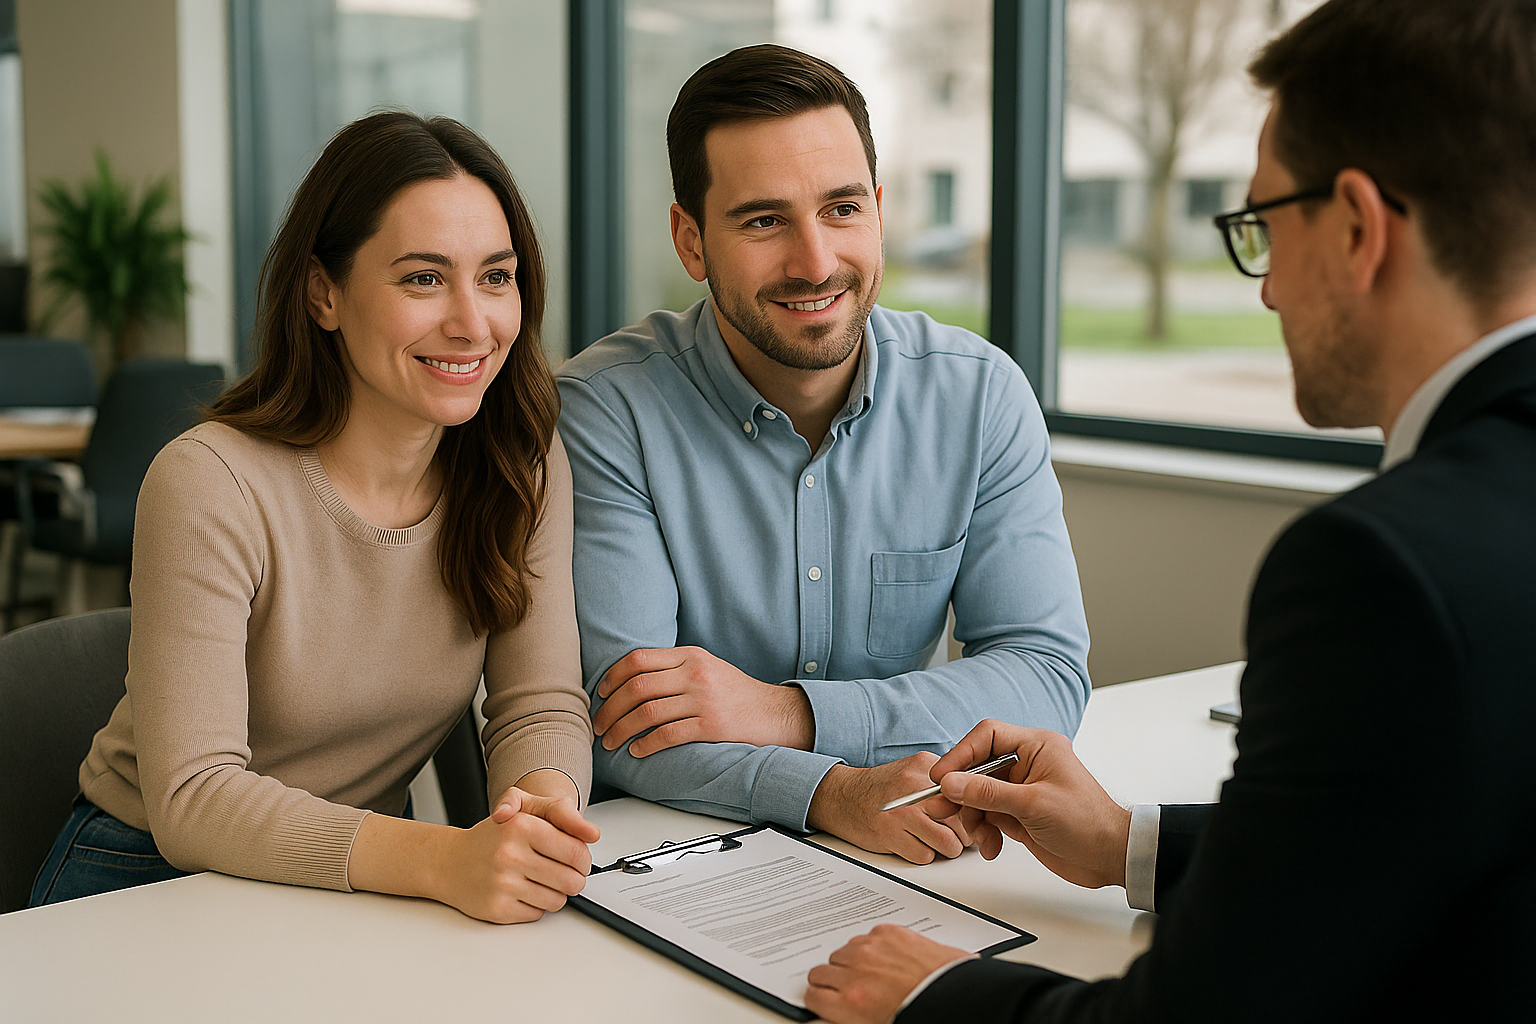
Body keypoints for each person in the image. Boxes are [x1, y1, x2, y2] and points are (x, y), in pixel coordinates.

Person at [805, 0, 1536, 1019]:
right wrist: (1128, 843)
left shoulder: (1385, 568)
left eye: (1264, 227)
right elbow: (1418, 847)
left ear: (1358, 228)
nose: (1267, 291)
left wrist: (933, 994)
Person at [29, 112, 599, 924]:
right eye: (423, 279)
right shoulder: (212, 481)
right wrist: (444, 859)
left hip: (369, 874)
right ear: (322, 292)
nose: (473, 323)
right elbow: (194, 796)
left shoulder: (518, 461)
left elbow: (538, 704)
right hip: (150, 875)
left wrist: (537, 823)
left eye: (496, 277)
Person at [556, 44, 1090, 865]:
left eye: (842, 208)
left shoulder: (979, 396)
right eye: (763, 220)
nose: (815, 263)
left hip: (911, 853)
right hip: (673, 861)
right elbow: (622, 726)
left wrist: (788, 714)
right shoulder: (604, 411)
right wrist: (833, 793)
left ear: (877, 210)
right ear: (691, 242)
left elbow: (1045, 678)